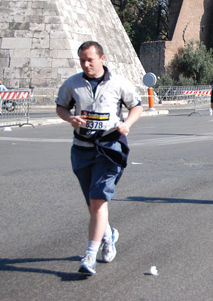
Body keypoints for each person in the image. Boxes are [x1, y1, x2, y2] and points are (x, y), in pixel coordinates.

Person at [55, 41, 143, 276]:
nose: (86, 64)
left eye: (90, 60)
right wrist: (70, 119)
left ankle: (90, 256)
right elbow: (61, 107)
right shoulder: (73, 84)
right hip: (82, 150)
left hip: (109, 148)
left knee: (98, 201)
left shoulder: (118, 83)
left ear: (102, 58)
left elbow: (136, 106)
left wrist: (127, 124)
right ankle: (109, 235)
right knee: (91, 205)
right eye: (82, 60)